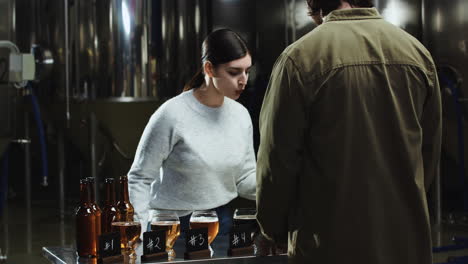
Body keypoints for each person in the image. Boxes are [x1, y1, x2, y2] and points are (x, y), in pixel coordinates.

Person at [256, 1, 442, 263]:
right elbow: (428, 154)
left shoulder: (299, 58)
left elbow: (278, 159)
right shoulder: (417, 53)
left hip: (328, 243)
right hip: (405, 241)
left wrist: (271, 228)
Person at [128, 28, 256, 236]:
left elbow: (244, 178)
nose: (243, 80)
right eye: (234, 72)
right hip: (171, 225)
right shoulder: (172, 114)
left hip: (220, 222)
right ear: (209, 69)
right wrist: (140, 234)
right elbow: (140, 178)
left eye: (247, 71)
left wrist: (284, 185)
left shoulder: (241, 115)